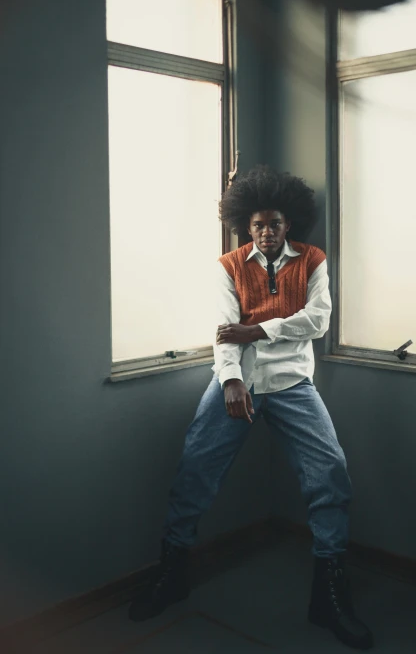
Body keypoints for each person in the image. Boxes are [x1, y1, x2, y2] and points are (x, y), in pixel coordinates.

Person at [128, 165, 374, 650]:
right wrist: (234, 380)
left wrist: (257, 329)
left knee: (330, 472)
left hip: (293, 384)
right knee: (196, 467)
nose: (266, 232)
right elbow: (224, 331)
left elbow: (318, 320)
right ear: (245, 224)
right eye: (258, 224)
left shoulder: (313, 260)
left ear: (289, 224)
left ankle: (328, 594)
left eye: (275, 224)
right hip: (236, 382)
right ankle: (173, 573)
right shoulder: (227, 266)